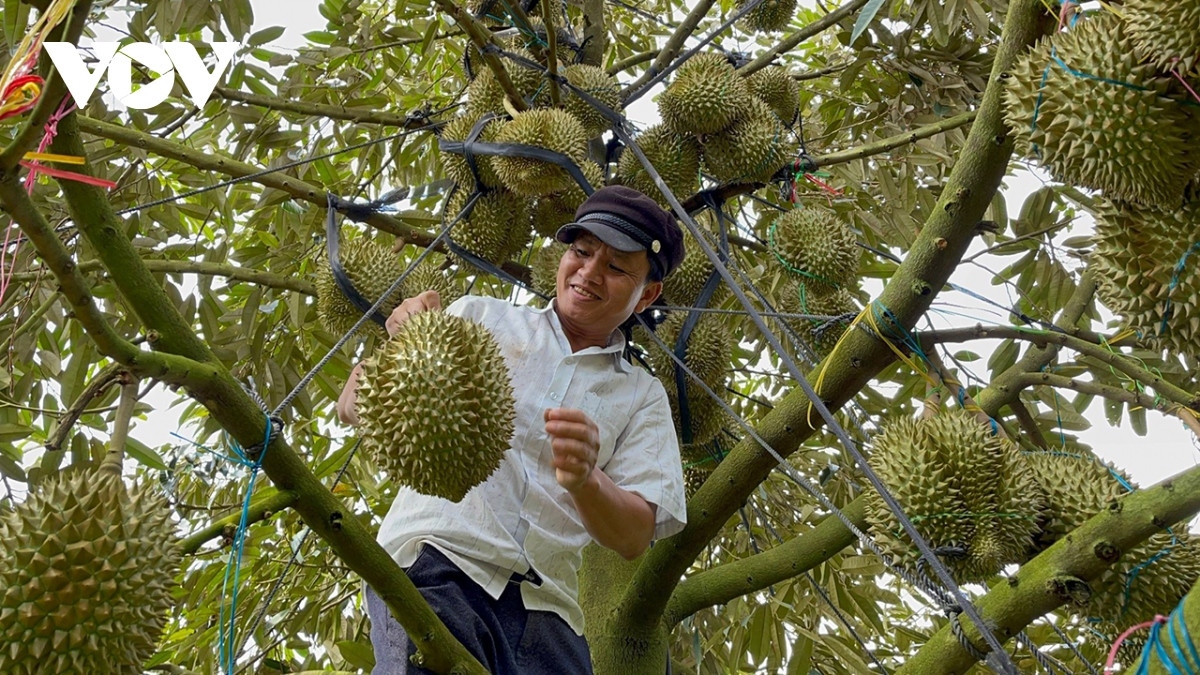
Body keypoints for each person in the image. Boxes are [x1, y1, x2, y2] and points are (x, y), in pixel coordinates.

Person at [337, 185, 689, 674]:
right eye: (582, 252)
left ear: (647, 293)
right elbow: (356, 404)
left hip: (549, 617)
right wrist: (397, 344)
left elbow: (634, 535)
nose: (589, 273)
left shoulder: (641, 397)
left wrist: (588, 478)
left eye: (615, 267)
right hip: (440, 567)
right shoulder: (480, 316)